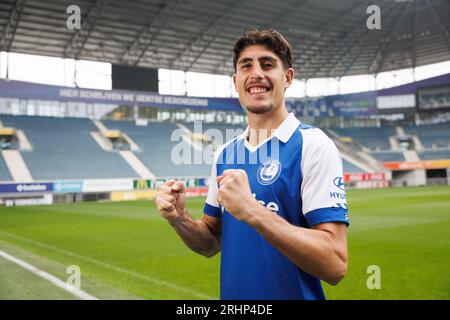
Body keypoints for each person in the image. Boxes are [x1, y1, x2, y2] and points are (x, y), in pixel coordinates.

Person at [155, 28, 349, 300]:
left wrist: (252, 210)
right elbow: (210, 241)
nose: (256, 73)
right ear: (236, 81)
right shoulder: (225, 153)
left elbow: (335, 264)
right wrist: (180, 219)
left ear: (288, 77)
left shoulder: (312, 145)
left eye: (267, 64)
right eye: (246, 66)